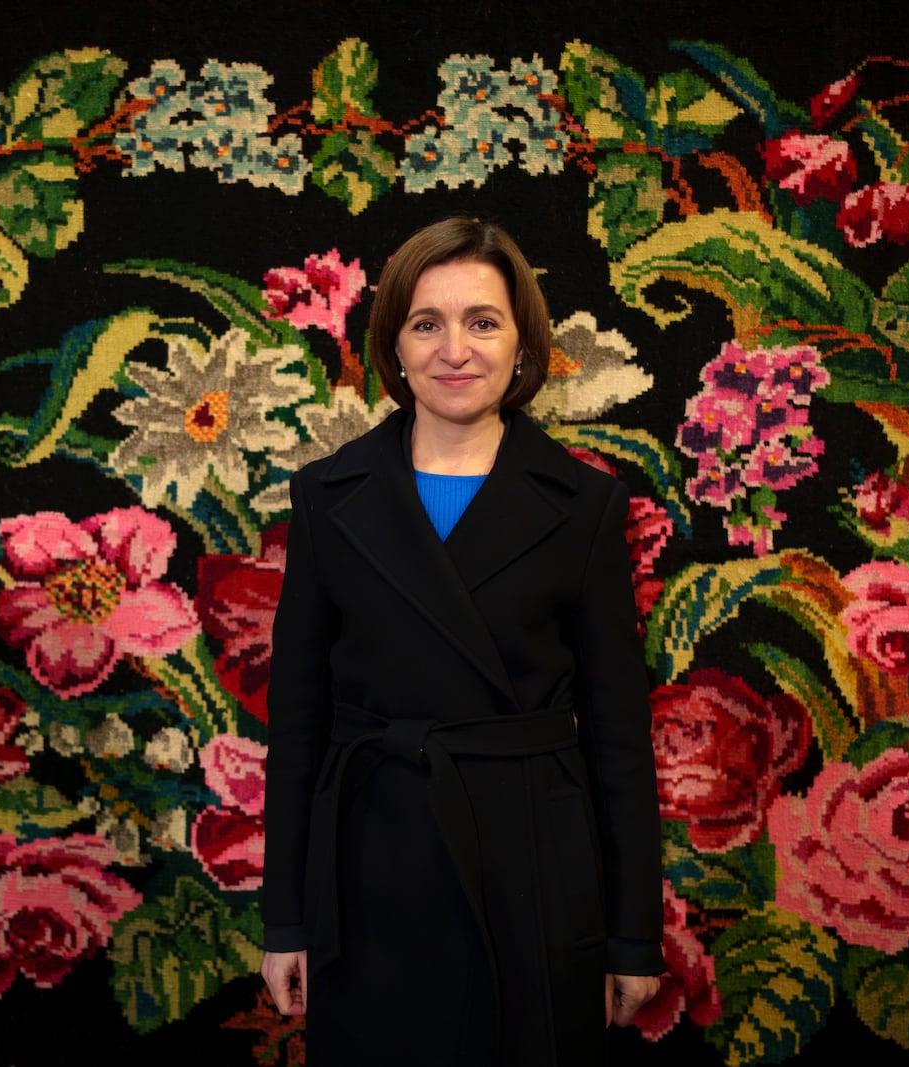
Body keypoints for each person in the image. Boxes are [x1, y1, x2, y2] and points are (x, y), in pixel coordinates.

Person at [259, 216, 664, 1064]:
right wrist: (287, 917)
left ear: (522, 344)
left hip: (533, 868)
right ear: (394, 347)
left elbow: (621, 741)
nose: (456, 349)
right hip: (370, 865)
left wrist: (631, 934)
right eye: (426, 323)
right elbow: (295, 729)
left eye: (483, 321)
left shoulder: (585, 505)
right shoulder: (326, 498)